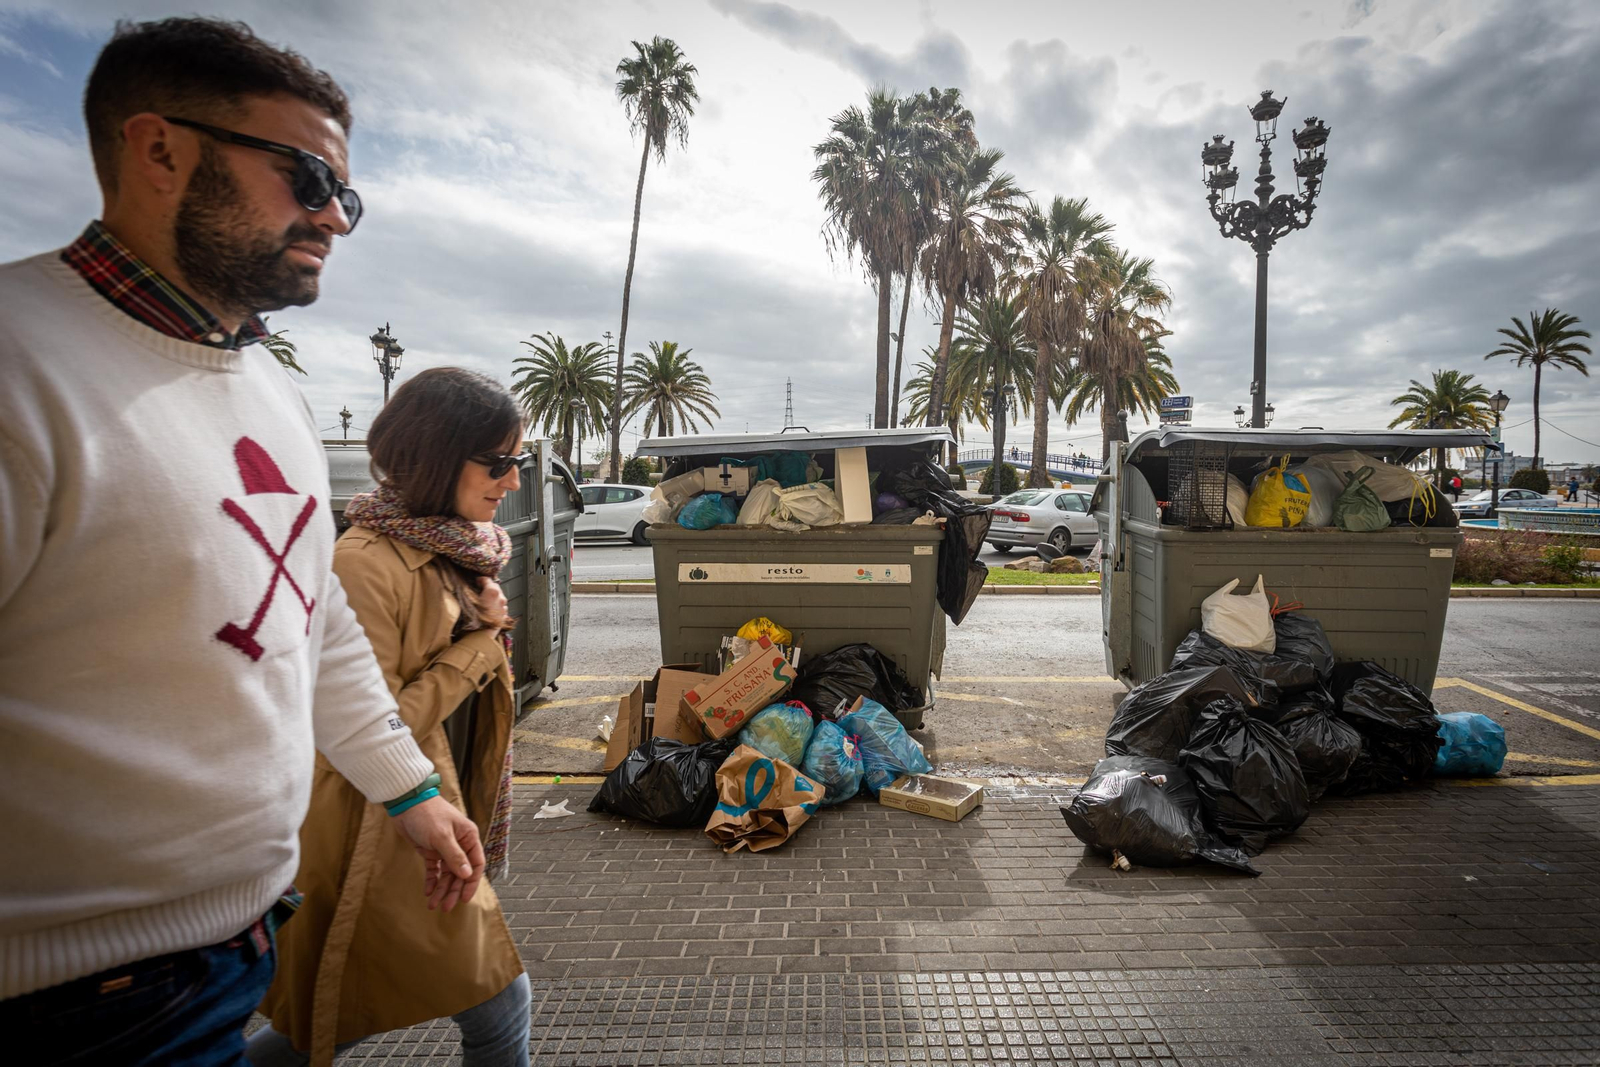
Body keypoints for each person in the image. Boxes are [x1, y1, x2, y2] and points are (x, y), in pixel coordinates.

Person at [0, 19, 484, 1066]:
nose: (334, 219)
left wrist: (411, 793)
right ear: (159, 150)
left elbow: (311, 625)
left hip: (238, 949)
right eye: (307, 176)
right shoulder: (19, 362)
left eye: (346, 194)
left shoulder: (267, 389)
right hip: (67, 1002)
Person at [249, 368, 531, 1066]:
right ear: (435, 457)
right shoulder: (363, 562)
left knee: (333, 1015)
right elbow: (370, 719)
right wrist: (481, 646)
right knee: (492, 1000)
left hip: (426, 809)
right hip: (377, 824)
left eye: (516, 461)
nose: (514, 480)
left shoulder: (453, 547)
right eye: (497, 462)